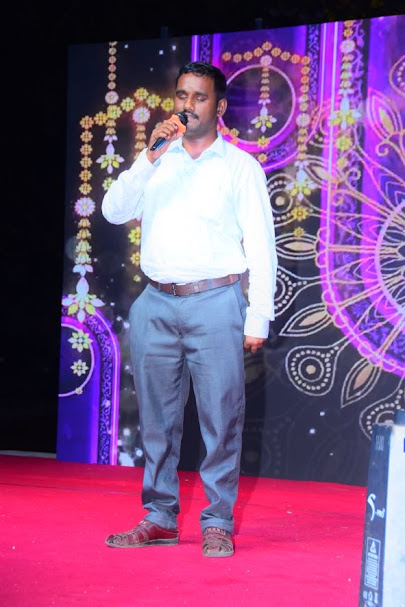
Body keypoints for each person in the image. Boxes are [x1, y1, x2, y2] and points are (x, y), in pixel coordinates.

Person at [102, 61, 277, 557]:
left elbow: (261, 247)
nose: (188, 105)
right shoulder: (159, 161)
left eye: (200, 97)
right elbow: (113, 211)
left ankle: (217, 520)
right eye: (182, 95)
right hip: (156, 302)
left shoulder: (240, 167)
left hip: (216, 302)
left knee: (221, 418)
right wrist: (149, 157)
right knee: (157, 420)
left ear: (218, 107)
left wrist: (258, 315)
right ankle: (160, 517)